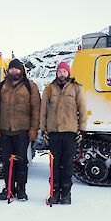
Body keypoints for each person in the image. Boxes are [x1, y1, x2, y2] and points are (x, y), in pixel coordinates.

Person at [40, 61, 87, 205]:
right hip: (53, 133)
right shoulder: (49, 89)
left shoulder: (76, 88)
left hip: (70, 133)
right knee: (54, 165)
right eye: (59, 71)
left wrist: (82, 130)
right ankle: (54, 193)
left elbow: (83, 110)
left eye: (64, 71)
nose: (62, 73)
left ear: (69, 72)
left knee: (67, 165)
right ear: (56, 73)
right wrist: (43, 130)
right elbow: (43, 111)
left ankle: (66, 193)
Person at [0, 59, 41, 201]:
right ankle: (8, 189)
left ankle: (21, 190)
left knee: (21, 162)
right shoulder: (1, 86)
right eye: (12, 69)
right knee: (7, 162)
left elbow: (36, 108)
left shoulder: (29, 86)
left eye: (17, 69)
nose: (14, 71)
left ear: (21, 71)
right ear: (8, 71)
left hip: (22, 131)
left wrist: (34, 129)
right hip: (5, 131)